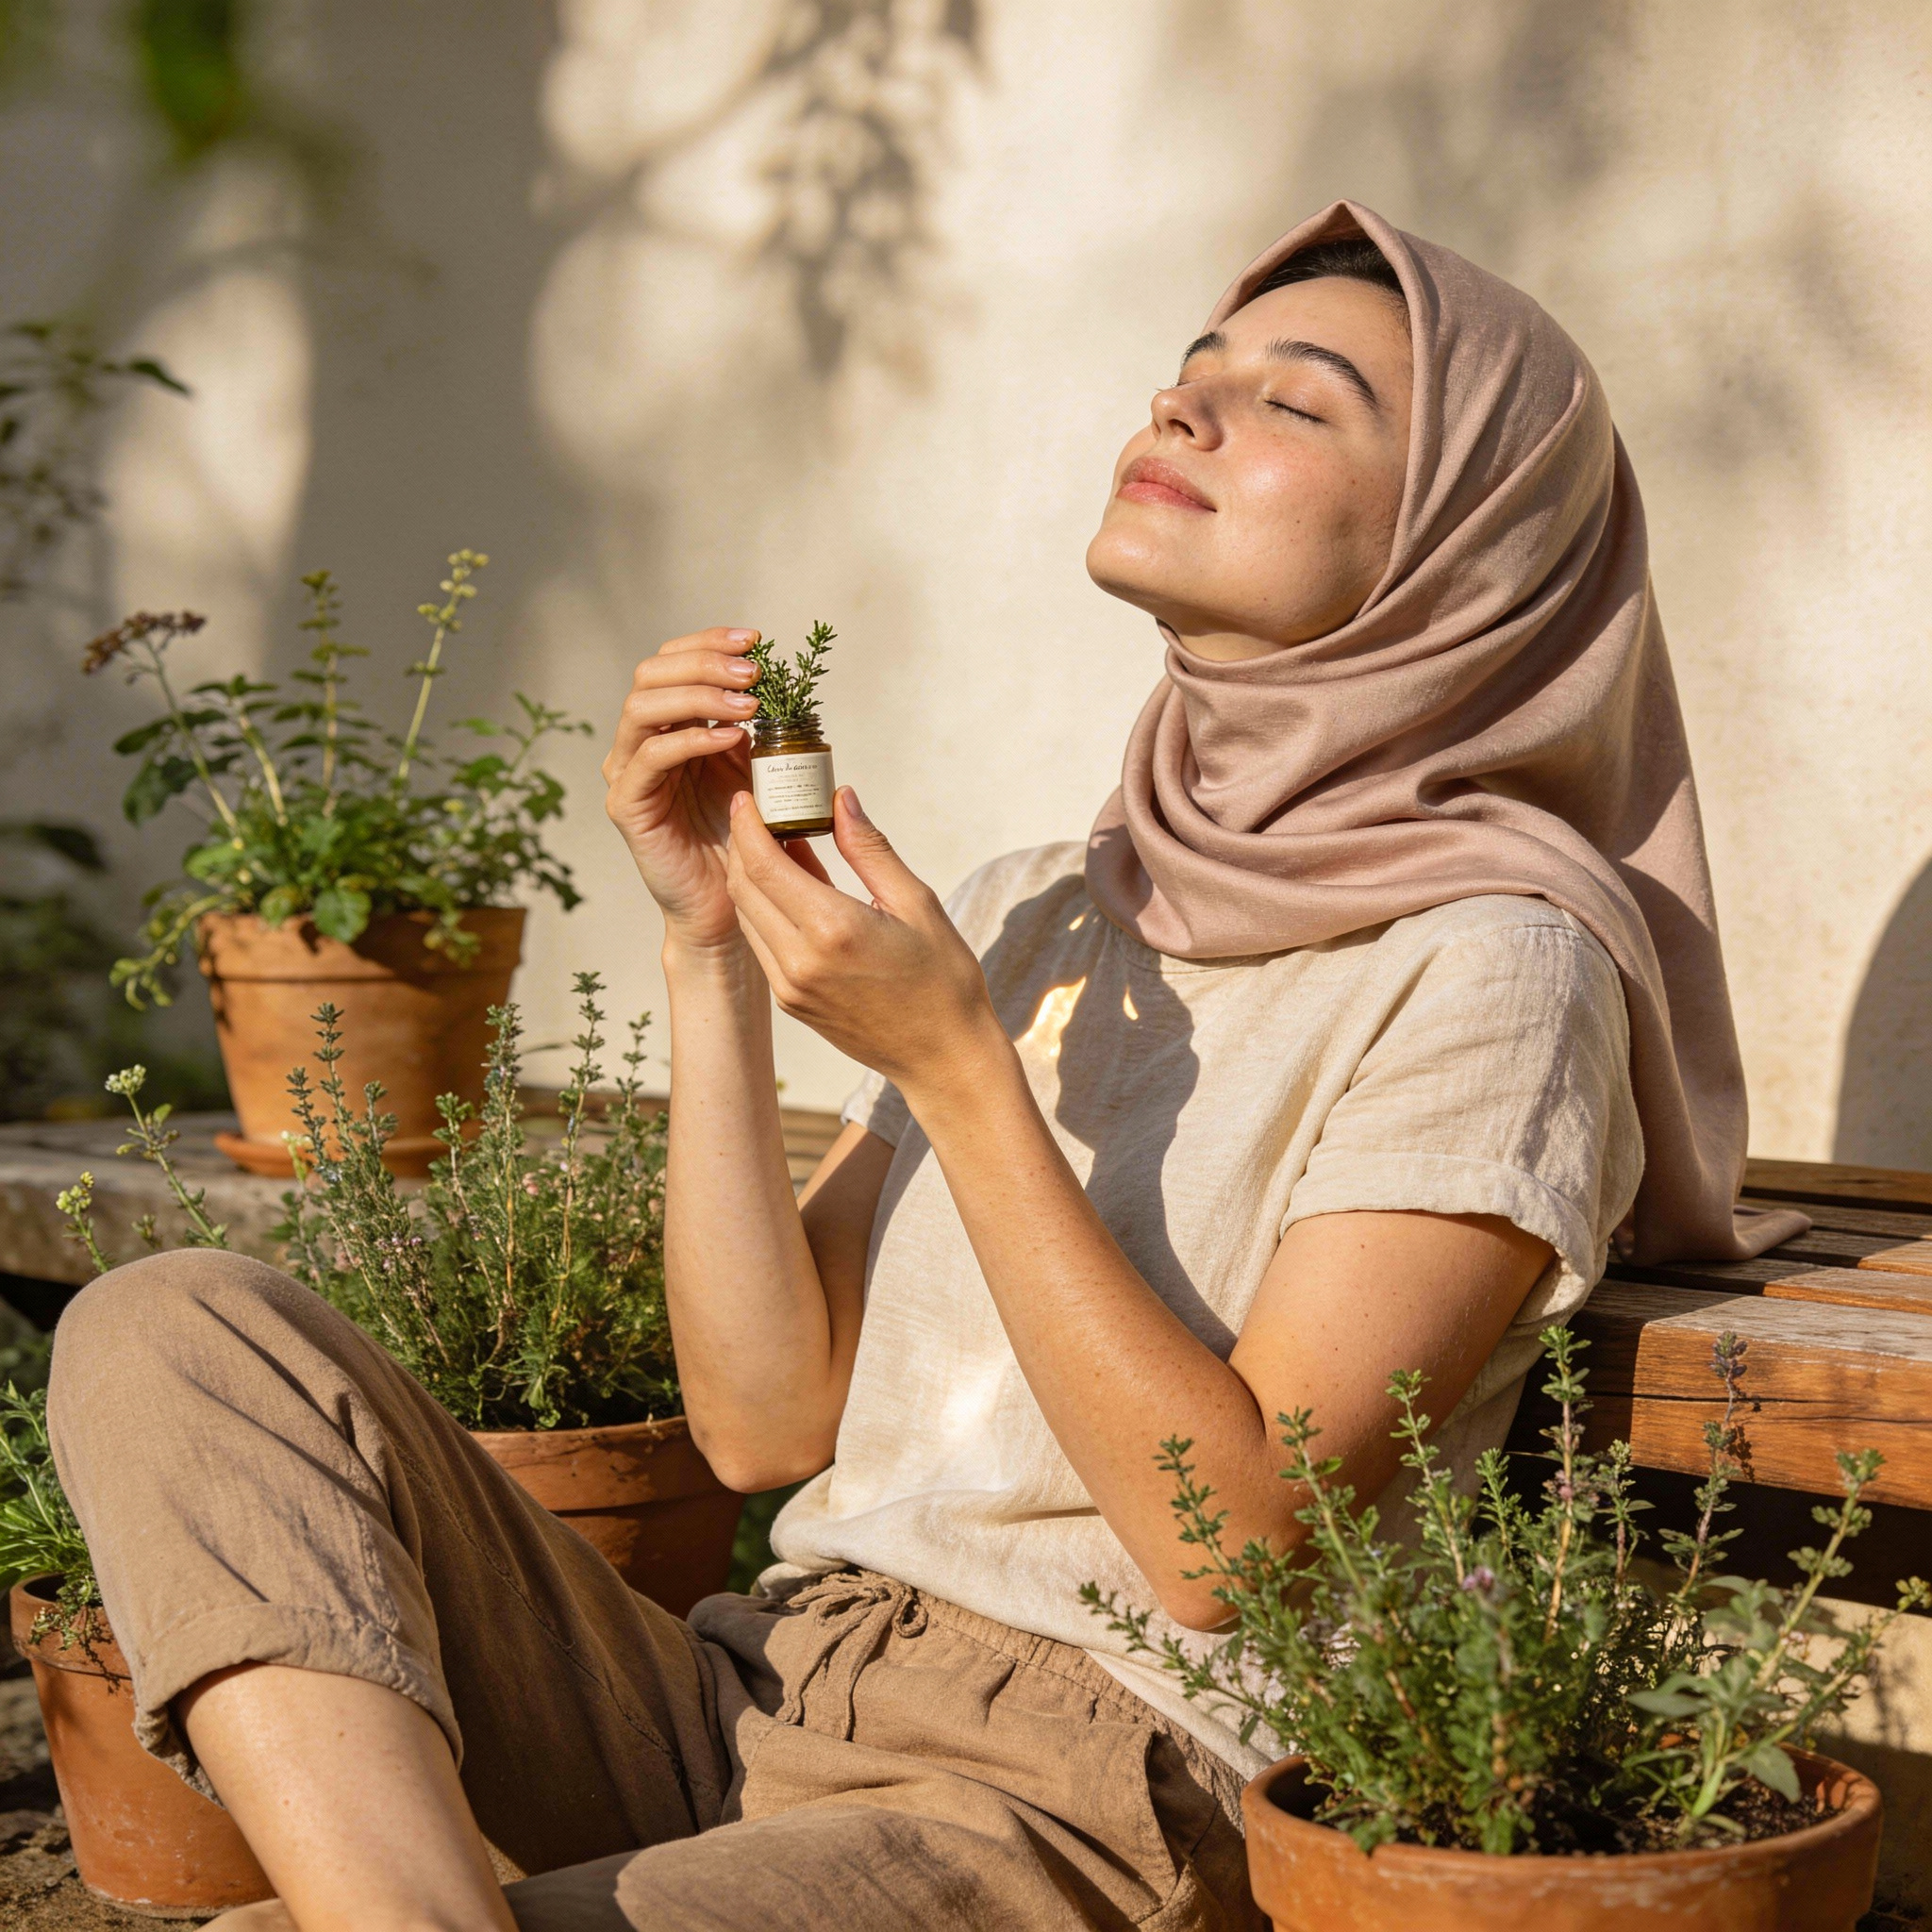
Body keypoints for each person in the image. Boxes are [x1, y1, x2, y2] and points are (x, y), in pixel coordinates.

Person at [46, 202, 1802, 1932]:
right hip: (762, 1695)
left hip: (1081, 1796)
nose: (1187, 407)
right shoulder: (1041, 910)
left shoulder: (1495, 962)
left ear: (1467, 549)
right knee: (174, 1328)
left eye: (1298, 400)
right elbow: (761, 1420)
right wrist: (712, 941)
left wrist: (960, 1068)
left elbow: (1234, 1548)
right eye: (1196, 369)